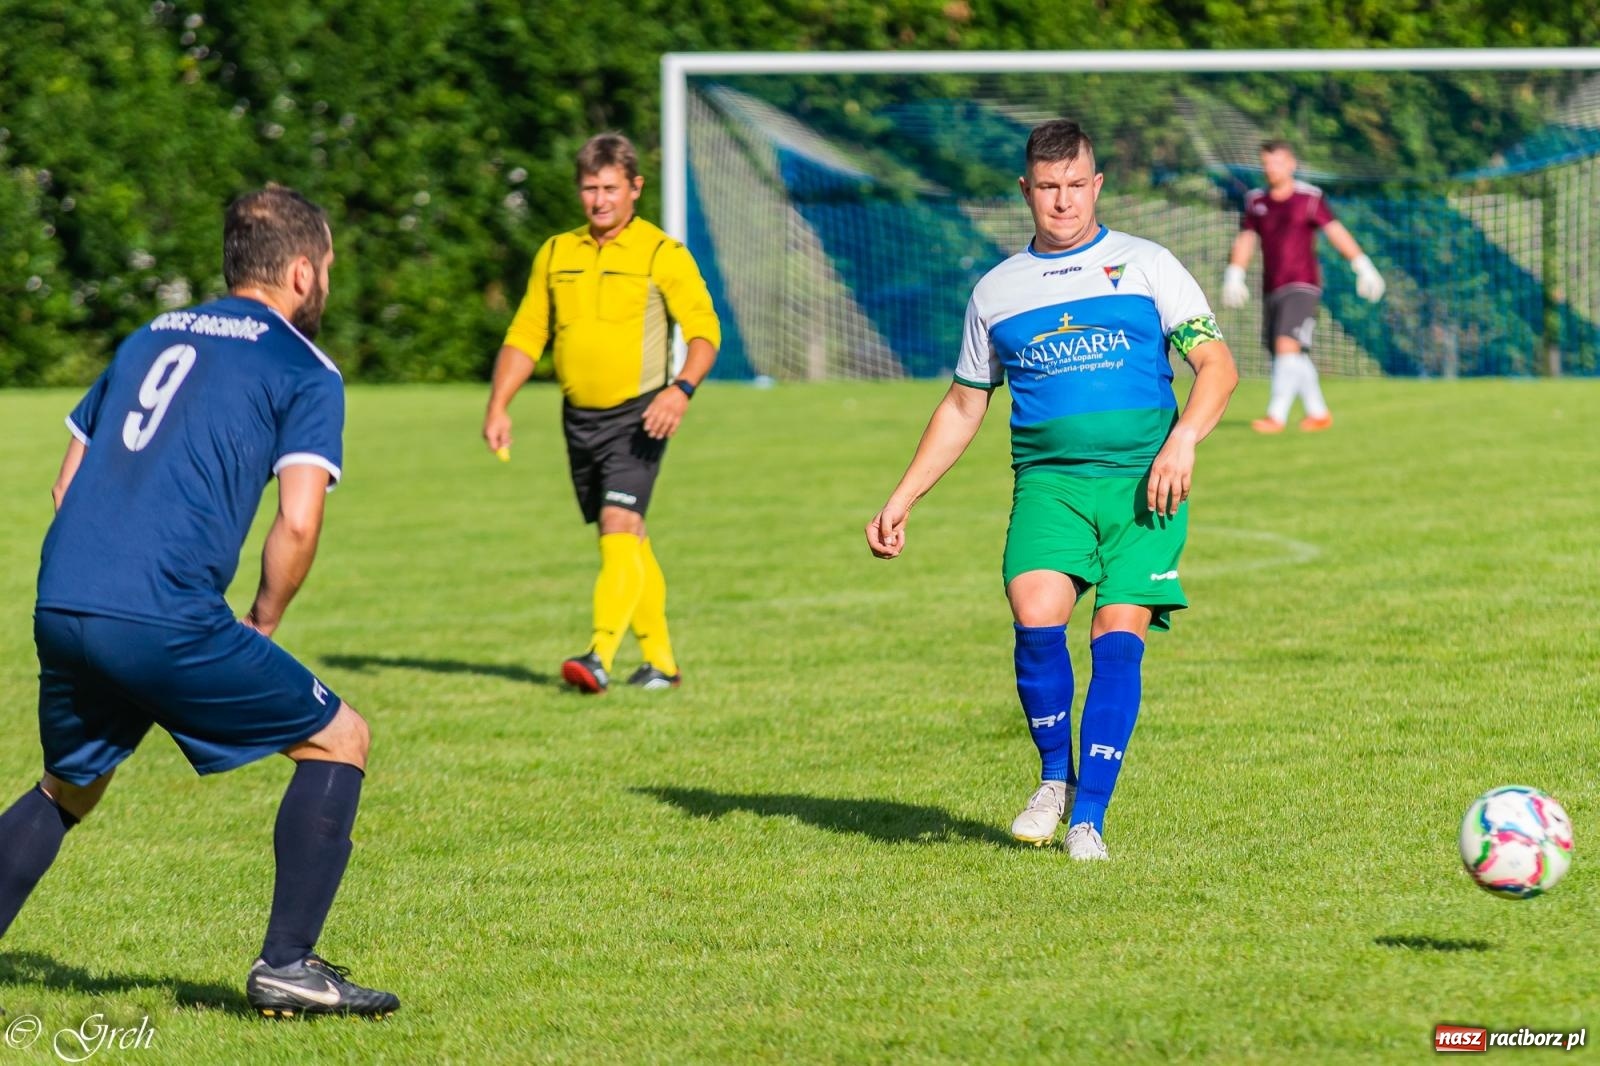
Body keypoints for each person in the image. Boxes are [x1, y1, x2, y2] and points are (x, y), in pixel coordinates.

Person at [0, 186, 399, 1019]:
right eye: (327, 267)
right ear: (302, 271)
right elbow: (298, 521)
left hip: (64, 598)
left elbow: (67, 485)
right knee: (341, 738)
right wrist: (262, 621)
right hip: (163, 616)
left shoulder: (146, 337)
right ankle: (288, 965)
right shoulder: (302, 365)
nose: (326, 282)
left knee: (69, 787)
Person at [865, 120, 1238, 860]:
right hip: (1049, 484)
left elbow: (1217, 366)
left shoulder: (1147, 265)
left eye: (1075, 186)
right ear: (1025, 190)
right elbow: (964, 404)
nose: (1063, 201)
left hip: (1144, 487)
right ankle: (1053, 779)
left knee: (1115, 637)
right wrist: (901, 498)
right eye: (1047, 187)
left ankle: (1088, 818)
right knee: (1036, 615)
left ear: (1096, 186)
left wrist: (1184, 440)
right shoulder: (996, 291)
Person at [483, 133, 720, 695]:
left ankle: (598, 655)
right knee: (627, 536)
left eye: (611, 188)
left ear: (635, 187)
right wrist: (498, 405)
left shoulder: (662, 253)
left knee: (618, 525)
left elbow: (705, 332)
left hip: (641, 415)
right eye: (590, 188)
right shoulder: (556, 253)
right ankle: (660, 663)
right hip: (578, 418)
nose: (600, 199)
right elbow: (527, 333)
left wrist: (680, 390)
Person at [1222, 139, 1386, 433]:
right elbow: (1246, 238)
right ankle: (1318, 413)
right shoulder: (1256, 201)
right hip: (1271, 286)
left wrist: (1362, 265)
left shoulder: (1309, 198)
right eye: (1266, 163)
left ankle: (1276, 416)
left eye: (1278, 162)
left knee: (1287, 345)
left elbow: (1335, 231)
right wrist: (1235, 272)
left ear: (1291, 164)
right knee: (1289, 353)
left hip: (1302, 285)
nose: (1271, 168)